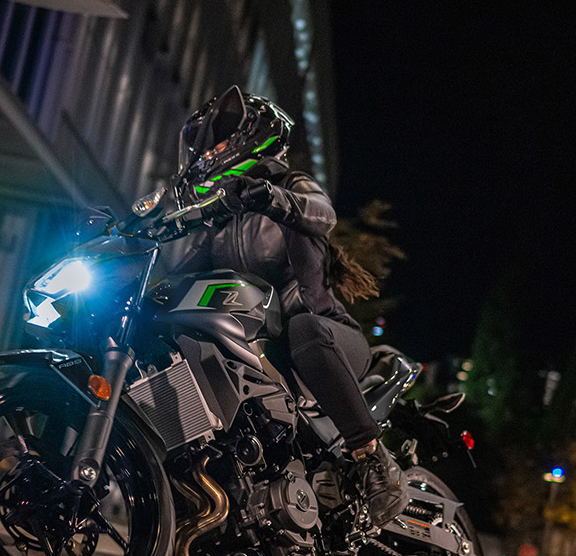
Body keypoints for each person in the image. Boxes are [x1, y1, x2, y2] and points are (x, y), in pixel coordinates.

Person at [165, 86, 405, 529]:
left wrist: (272, 199)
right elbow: (178, 275)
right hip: (267, 350)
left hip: (328, 337)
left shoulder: (288, 186)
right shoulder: (219, 221)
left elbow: (322, 215)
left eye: (216, 142)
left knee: (305, 329)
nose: (208, 153)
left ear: (249, 138)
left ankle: (374, 458)